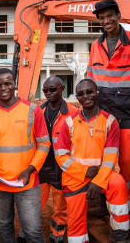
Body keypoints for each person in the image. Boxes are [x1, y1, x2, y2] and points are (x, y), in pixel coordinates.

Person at [0, 68, 50, 243]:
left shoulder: (32, 110)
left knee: (33, 230)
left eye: (7, 83)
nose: (3, 88)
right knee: (4, 226)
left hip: (27, 182)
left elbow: (44, 144)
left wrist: (30, 170)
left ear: (14, 84)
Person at [55, 79, 130, 242]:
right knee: (75, 225)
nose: (86, 96)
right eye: (81, 94)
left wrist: (98, 181)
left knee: (118, 184)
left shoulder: (110, 121)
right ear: (77, 97)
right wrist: (84, 171)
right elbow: (61, 156)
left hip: (102, 174)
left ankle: (120, 237)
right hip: (75, 178)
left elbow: (111, 156)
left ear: (97, 92)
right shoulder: (69, 123)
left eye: (89, 91)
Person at [17, 76, 78, 243]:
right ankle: (28, 229)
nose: (48, 93)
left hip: (61, 168)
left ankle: (57, 231)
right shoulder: (38, 111)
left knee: (60, 205)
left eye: (52, 89)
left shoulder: (72, 113)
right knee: (34, 202)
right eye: (45, 91)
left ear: (62, 88)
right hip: (40, 167)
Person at [87, 0, 130, 199]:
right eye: (102, 18)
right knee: (103, 159)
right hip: (104, 115)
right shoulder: (96, 46)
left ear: (118, 16)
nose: (106, 20)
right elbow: (89, 78)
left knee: (128, 161)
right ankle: (109, 198)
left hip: (129, 114)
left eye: (110, 16)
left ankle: (128, 199)